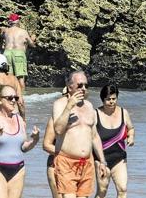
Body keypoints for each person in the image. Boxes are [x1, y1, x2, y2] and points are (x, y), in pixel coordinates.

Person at [52, 70, 108, 198]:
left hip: (87, 163)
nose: (83, 89)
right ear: (69, 86)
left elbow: (94, 136)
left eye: (86, 86)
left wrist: (102, 162)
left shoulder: (89, 106)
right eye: (80, 85)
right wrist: (69, 106)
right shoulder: (60, 104)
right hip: (66, 162)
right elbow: (58, 130)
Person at [0, 84, 40, 198]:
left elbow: (23, 147)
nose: (13, 101)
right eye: (9, 98)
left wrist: (35, 140)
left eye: (15, 98)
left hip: (18, 168)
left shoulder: (19, 119)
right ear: (0, 100)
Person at [94, 85, 135, 198]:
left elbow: (131, 128)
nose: (111, 102)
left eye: (114, 98)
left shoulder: (123, 112)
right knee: (102, 191)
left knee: (122, 189)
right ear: (102, 99)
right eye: (108, 99)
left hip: (119, 158)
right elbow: (90, 136)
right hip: (101, 159)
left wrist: (131, 137)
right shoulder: (95, 114)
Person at [1, 13, 35, 91]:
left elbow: (0, 43)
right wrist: (32, 39)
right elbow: (32, 45)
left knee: (9, 78)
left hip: (7, 53)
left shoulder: (5, 31)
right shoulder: (23, 32)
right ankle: (22, 98)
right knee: (20, 79)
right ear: (17, 21)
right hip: (18, 53)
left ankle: (9, 96)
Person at [43, 117, 59, 198]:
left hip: (80, 164)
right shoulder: (55, 118)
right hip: (56, 163)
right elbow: (46, 146)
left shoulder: (84, 115)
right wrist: (69, 154)